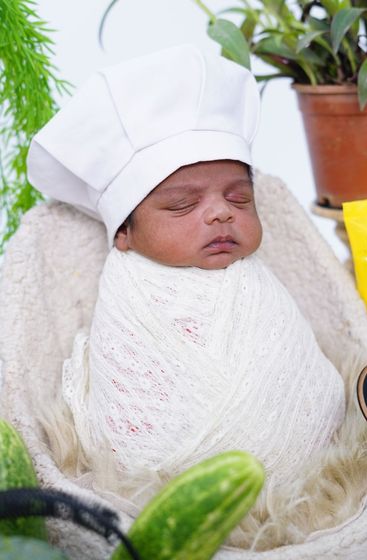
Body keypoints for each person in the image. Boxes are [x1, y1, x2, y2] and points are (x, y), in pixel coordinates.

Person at [27, 45, 348, 549]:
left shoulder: (255, 278)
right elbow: (125, 376)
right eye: (182, 204)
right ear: (124, 234)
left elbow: (292, 353)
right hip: (171, 476)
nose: (222, 213)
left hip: (305, 483)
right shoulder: (132, 291)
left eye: (239, 198)